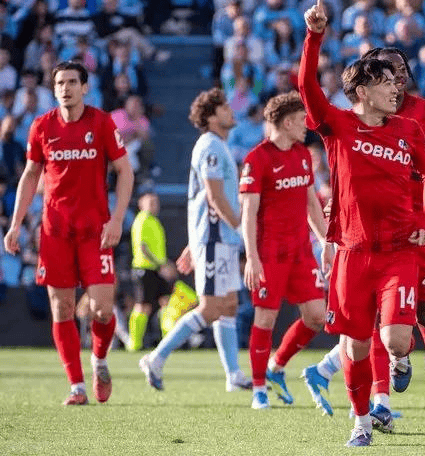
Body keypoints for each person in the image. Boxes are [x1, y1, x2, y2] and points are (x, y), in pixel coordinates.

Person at [299, 0, 425, 447]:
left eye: (397, 83)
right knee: (356, 345)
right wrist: (314, 37)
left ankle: (401, 359)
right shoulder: (338, 125)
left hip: (399, 252)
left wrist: (424, 219)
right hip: (352, 253)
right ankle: (361, 423)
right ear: (362, 91)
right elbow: (306, 88)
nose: (396, 89)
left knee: (396, 339)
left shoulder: (409, 129)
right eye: (386, 83)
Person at [302, 46, 425, 427]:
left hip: (418, 232)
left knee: (424, 312)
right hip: (366, 240)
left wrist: (414, 187)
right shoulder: (348, 122)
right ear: (367, 86)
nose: (396, 81)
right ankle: (377, 404)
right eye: (387, 75)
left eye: (399, 72)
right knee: (373, 323)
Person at [3, 61, 134, 405]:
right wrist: (16, 223)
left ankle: (99, 360)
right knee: (61, 308)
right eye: (60, 83)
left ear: (84, 87)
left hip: (95, 231)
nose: (66, 88)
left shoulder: (101, 123)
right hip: (56, 231)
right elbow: (31, 175)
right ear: (54, 88)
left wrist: (117, 219)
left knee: (102, 309)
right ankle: (76, 386)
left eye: (73, 82)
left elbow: (125, 171)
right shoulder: (42, 126)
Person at [139, 88, 251, 393]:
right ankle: (156, 358)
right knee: (211, 307)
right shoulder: (210, 145)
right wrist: (239, 227)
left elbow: (202, 199)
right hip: (216, 238)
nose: (231, 111)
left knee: (229, 305)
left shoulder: (218, 145)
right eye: (224, 107)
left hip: (218, 238)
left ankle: (233, 374)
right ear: (211, 116)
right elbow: (213, 196)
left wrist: (194, 242)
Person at [240, 91, 331, 410]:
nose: (308, 125)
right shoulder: (257, 159)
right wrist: (252, 257)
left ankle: (276, 366)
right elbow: (248, 213)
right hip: (269, 253)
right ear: (288, 122)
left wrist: (325, 241)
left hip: (300, 251)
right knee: (265, 318)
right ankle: (258, 389)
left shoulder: (303, 155)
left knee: (317, 316)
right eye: (303, 120)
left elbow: (311, 205)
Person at [126, 189, 175, 352]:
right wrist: (161, 265)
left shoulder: (154, 221)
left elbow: (157, 249)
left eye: (156, 202)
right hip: (145, 269)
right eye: (151, 202)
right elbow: (143, 248)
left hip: (157, 269)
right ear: (141, 204)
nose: (155, 205)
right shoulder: (142, 220)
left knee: (165, 302)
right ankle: (134, 343)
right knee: (143, 306)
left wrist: (165, 264)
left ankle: (168, 341)